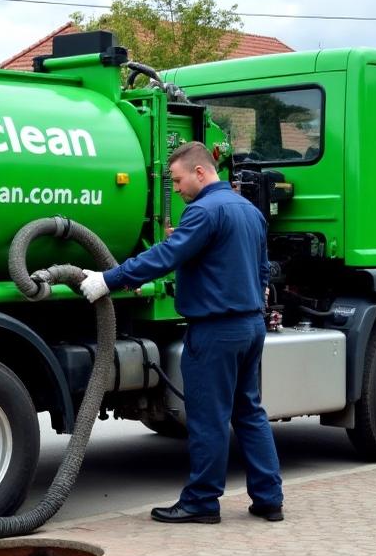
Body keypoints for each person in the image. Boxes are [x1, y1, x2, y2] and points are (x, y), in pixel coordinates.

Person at [79, 141, 284, 524]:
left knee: (208, 418)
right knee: (249, 411)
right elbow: (261, 270)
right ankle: (269, 499)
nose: (176, 189)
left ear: (201, 172)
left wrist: (110, 279)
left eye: (178, 180)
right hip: (250, 325)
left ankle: (202, 502)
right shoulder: (248, 211)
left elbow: (164, 256)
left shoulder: (204, 211)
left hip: (215, 330)